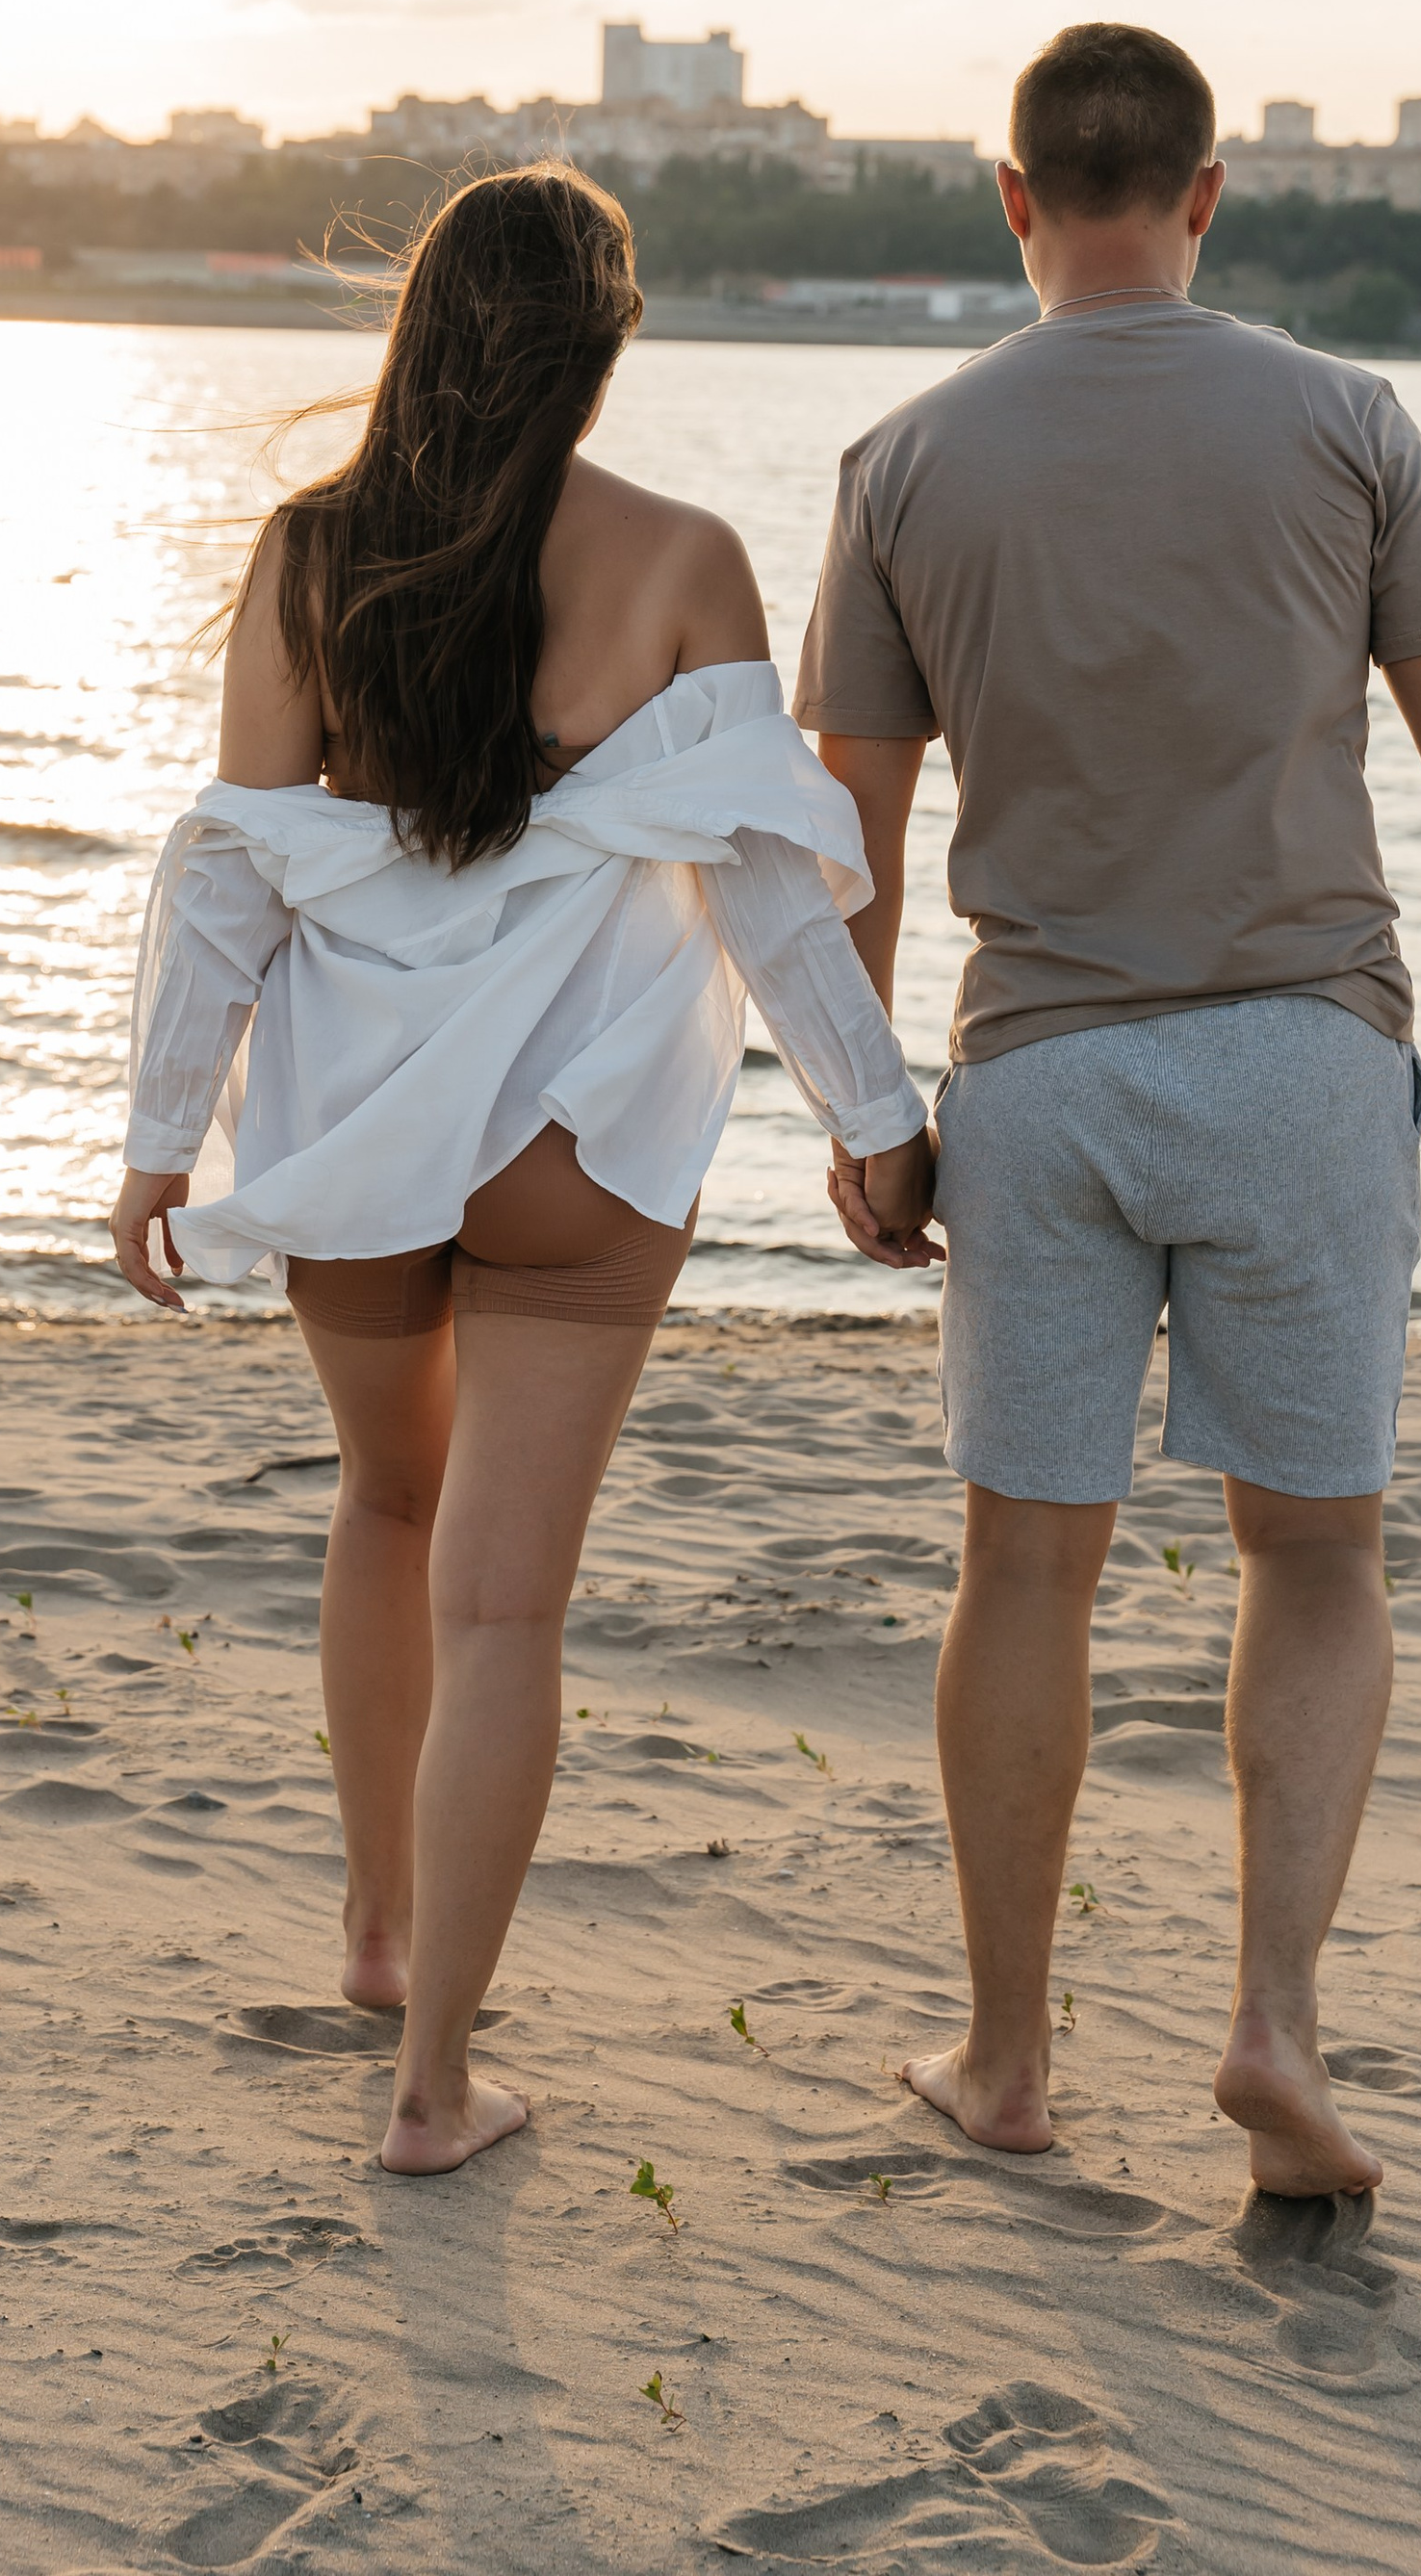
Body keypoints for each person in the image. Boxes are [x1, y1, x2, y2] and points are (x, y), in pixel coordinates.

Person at [795, 20, 1421, 2199]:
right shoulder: (1343, 420)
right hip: (1298, 1058)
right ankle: (1269, 2023)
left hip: (1044, 1072)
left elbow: (842, 826)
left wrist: (864, 1099)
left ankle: (1003, 2062)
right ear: (1202, 190)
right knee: (1318, 1552)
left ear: (1005, 199)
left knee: (1025, 1565)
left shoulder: (898, 460)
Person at [109, 164, 932, 2175]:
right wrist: (877, 1124)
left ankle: (381, 1934)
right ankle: (429, 2088)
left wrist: (153, 1147)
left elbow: (232, 880)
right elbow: (764, 889)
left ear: (416, 329)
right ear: (602, 346)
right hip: (576, 1136)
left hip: (351, 1131)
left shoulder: (309, 558)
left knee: (387, 1507)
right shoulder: (679, 560)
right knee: (504, 1610)